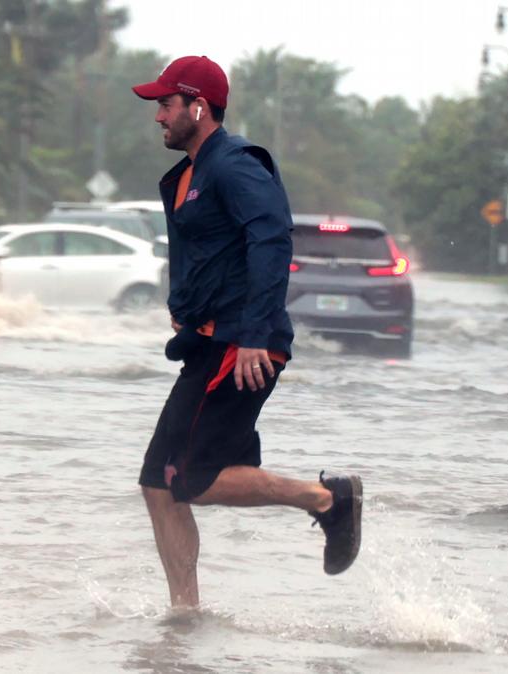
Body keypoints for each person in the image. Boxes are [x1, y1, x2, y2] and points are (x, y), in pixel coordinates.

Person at [132, 55, 363, 609]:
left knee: (192, 478)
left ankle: (329, 499)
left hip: (243, 345)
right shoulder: (191, 173)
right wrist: (185, 308)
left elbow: (272, 239)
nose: (158, 116)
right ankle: (184, 615)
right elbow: (211, 251)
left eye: (165, 104)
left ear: (199, 106)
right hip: (210, 343)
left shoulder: (234, 165)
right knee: (158, 484)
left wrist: (255, 333)